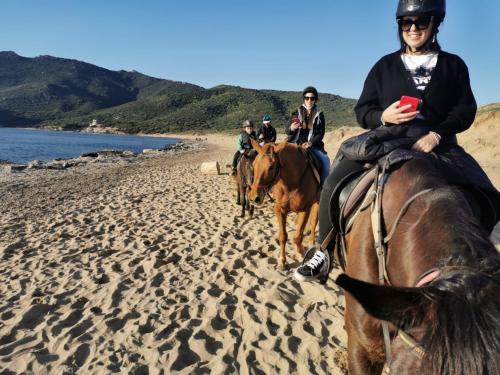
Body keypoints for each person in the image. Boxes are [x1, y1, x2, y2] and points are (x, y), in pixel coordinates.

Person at [294, 0, 499, 282]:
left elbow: (465, 110)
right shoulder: (384, 66)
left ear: (435, 24)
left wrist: (436, 134)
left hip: (439, 143)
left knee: (486, 194)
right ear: (400, 26)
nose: (413, 28)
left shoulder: (454, 65)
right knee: (335, 179)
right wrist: (383, 115)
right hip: (388, 138)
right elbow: (362, 111)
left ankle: (477, 258)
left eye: (421, 22)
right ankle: (323, 250)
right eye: (406, 23)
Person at [285, 86, 331, 184]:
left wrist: (310, 143)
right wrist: (292, 128)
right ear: (304, 99)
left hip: (312, 146)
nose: (309, 100)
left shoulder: (319, 114)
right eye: (307, 98)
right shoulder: (296, 112)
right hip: (295, 143)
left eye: (312, 98)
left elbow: (320, 133)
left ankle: (323, 190)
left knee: (326, 163)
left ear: (315, 100)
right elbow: (287, 130)